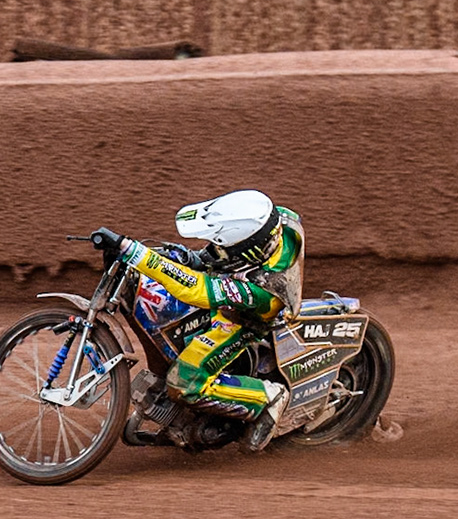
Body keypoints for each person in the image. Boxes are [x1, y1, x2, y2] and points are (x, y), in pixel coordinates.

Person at [89, 189, 304, 451]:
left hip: (244, 319)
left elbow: (193, 287)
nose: (214, 249)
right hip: (245, 281)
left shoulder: (258, 291)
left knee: (183, 382)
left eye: (220, 247)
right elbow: (212, 259)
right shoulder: (273, 219)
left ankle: (268, 396)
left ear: (244, 254)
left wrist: (132, 250)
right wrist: (194, 257)